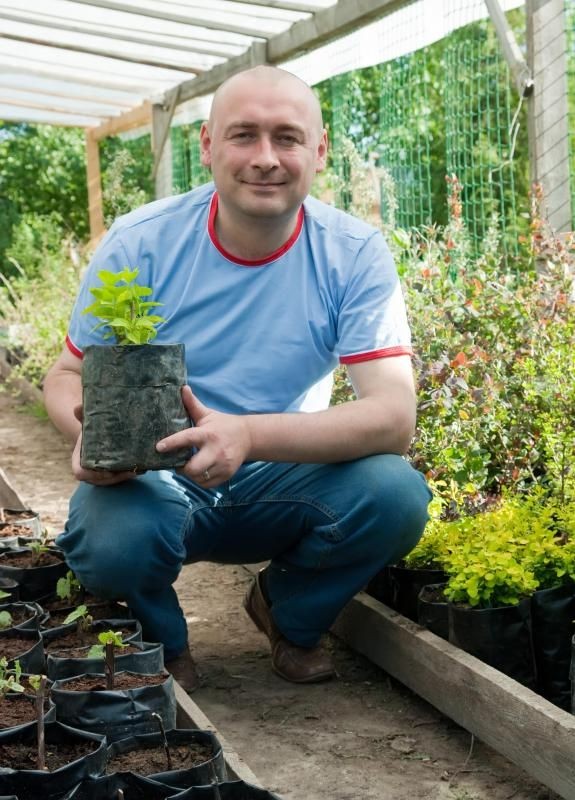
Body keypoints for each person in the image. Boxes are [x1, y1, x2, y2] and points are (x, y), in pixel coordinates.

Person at [43, 65, 432, 692]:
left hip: (284, 475)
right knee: (111, 537)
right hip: (158, 476)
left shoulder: (354, 253)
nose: (266, 159)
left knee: (394, 495)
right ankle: (160, 644)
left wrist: (246, 434)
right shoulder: (142, 243)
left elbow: (393, 415)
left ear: (320, 150)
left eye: (287, 138)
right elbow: (65, 374)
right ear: (207, 145)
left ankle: (288, 612)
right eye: (244, 135)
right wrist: (84, 436)